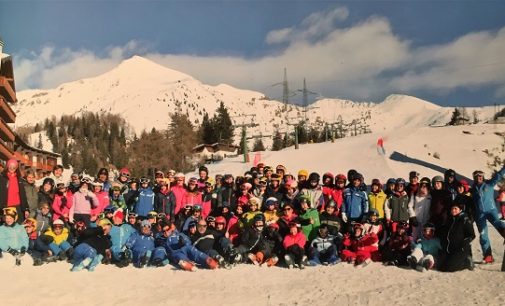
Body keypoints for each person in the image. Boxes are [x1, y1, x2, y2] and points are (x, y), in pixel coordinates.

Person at [470, 168, 505, 264]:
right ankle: (488, 256)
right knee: (483, 235)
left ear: (483, 177)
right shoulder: (472, 190)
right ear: (474, 178)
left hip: (491, 211)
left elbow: (498, 176)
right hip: (480, 215)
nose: (479, 178)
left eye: (480, 176)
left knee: (498, 223)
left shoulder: (489, 184)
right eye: (476, 177)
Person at [438, 202, 475, 272]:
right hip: (451, 249)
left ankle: (466, 262)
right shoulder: (451, 219)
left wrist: (464, 244)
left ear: (460, 210)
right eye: (452, 209)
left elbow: (471, 235)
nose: (453, 210)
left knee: (449, 268)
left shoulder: (464, 219)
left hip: (461, 249)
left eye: (455, 208)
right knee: (440, 267)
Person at [0, 159, 29, 224]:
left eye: (14, 167)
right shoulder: (2, 178)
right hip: (6, 206)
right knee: (6, 226)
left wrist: (26, 209)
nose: (12, 168)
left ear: (16, 168)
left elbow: (23, 195)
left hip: (18, 207)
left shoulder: (19, 179)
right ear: (7, 166)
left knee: (18, 225)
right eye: (10, 166)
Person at [409, 177, 432, 241]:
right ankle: (413, 249)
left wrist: (430, 219)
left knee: (424, 238)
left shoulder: (430, 196)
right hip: (416, 220)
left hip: (426, 221)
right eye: (422, 185)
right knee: (414, 238)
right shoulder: (415, 194)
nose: (424, 187)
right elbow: (410, 206)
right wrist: (413, 217)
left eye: (426, 186)